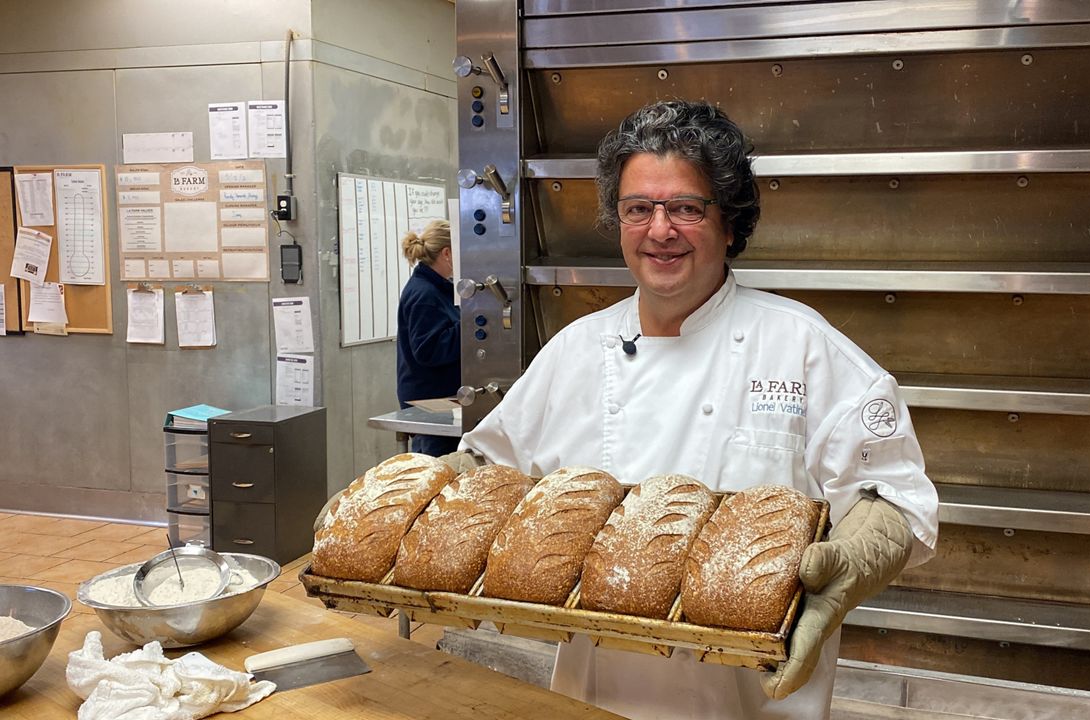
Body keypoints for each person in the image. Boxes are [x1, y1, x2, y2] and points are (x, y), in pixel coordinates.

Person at [457, 99, 938, 719]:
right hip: (598, 699)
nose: (660, 230)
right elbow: (488, 467)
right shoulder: (575, 351)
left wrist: (843, 574)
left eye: (686, 207)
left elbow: (897, 499)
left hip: (755, 705)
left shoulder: (804, 348)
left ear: (730, 222)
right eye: (638, 210)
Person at [396, 218, 461, 456]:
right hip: (429, 402)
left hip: (438, 399)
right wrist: (471, 326)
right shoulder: (424, 294)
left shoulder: (437, 289)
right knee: (433, 463)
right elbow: (428, 350)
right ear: (446, 253)